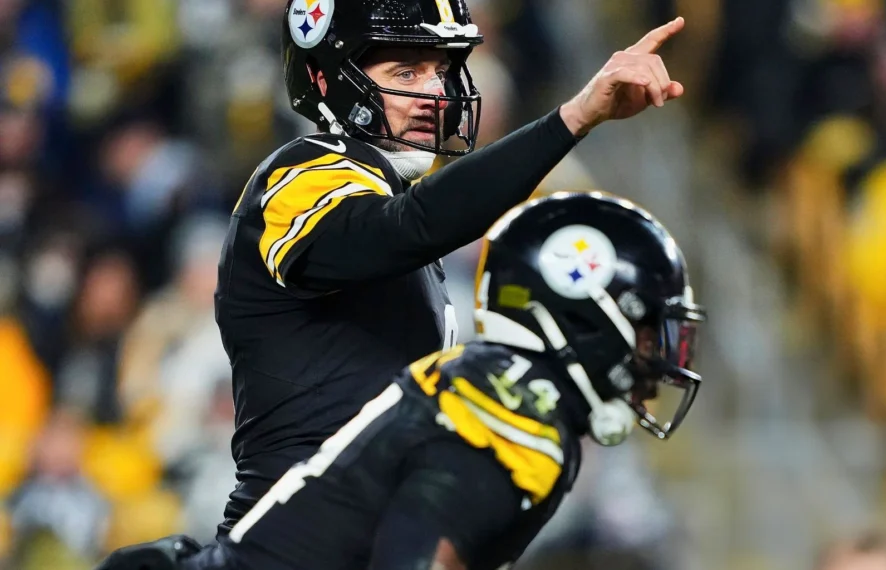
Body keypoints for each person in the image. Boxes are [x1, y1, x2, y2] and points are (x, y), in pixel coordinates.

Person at [213, 0, 687, 539]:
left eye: (440, 70)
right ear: (325, 78)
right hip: (290, 542)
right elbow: (409, 226)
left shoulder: (395, 207)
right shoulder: (298, 176)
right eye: (405, 71)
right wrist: (573, 117)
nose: (436, 93)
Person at [94, 191, 705, 570]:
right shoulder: (514, 413)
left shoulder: (493, 383)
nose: (663, 361)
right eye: (652, 334)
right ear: (585, 317)